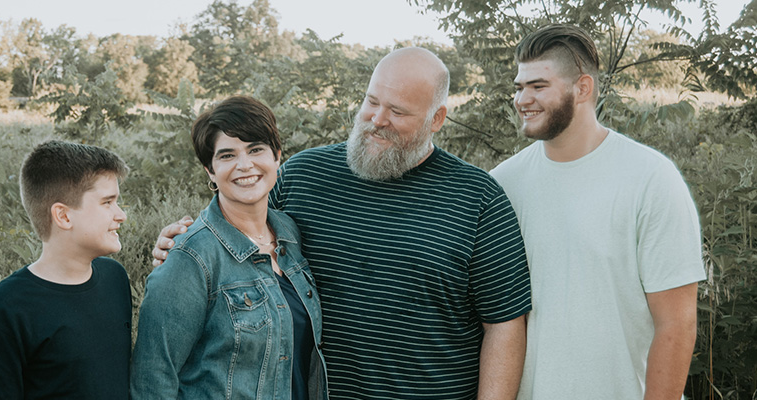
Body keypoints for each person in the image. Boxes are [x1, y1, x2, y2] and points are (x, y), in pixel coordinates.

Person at [153, 48, 532, 399]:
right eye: (372, 101)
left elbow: (504, 324)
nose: (377, 120)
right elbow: (230, 236)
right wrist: (180, 246)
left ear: (436, 119)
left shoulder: (477, 198)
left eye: (397, 112)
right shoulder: (303, 176)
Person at [490, 24, 706, 399]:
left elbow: (677, 324)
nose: (522, 99)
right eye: (518, 87)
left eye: (538, 86)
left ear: (583, 88)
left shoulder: (650, 179)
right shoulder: (503, 184)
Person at [131, 96, 327, 399]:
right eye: (227, 155)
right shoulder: (191, 257)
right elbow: (153, 378)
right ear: (210, 171)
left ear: (277, 156)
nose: (244, 165)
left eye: (255, 149)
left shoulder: (290, 233)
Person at [0, 140, 132, 399]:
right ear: (63, 216)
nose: (121, 215)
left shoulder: (114, 278)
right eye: (108, 202)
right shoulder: (9, 307)